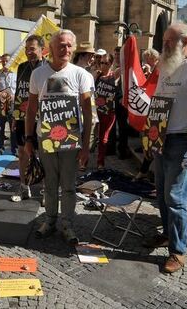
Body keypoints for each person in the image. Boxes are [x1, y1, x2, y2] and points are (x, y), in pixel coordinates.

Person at [143, 22, 187, 274]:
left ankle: (178, 251)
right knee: (162, 193)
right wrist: (150, 136)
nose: (163, 46)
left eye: (168, 42)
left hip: (186, 140)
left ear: (185, 42)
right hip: (162, 138)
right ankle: (167, 234)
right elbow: (159, 101)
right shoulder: (166, 64)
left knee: (176, 198)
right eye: (163, 42)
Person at [24, 29, 94, 244]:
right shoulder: (38, 74)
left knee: (69, 186)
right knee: (50, 185)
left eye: (69, 46)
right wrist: (28, 138)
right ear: (51, 48)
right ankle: (50, 220)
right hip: (46, 139)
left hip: (71, 141)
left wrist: (86, 145)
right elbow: (31, 108)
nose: (66, 49)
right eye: (61, 45)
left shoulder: (82, 75)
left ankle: (67, 224)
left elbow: (88, 112)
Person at [10, 35, 46, 202]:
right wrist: (14, 116)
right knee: (22, 153)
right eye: (26, 49)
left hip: (41, 118)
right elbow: (19, 92)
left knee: (44, 155)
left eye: (32, 49)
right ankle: (24, 187)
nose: (28, 52)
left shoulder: (48, 68)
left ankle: (47, 191)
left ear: (41, 49)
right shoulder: (22, 67)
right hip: (21, 117)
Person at [136, 48, 161, 180]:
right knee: (148, 142)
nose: (145, 61)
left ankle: (146, 171)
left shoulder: (159, 67)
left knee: (153, 142)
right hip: (149, 109)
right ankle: (144, 170)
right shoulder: (153, 69)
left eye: (147, 58)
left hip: (158, 110)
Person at [94, 50, 119, 169]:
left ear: (111, 64)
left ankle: (100, 162)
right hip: (96, 111)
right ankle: (83, 161)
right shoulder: (97, 75)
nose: (103, 65)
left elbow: (125, 67)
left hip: (109, 112)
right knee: (91, 137)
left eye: (106, 63)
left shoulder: (114, 75)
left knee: (104, 138)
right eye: (102, 63)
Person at [0, 54, 17, 156]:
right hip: (0, 103)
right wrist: (0, 93)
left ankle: (14, 149)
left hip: (13, 103)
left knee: (13, 126)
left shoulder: (16, 73)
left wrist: (14, 96)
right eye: (2, 61)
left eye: (6, 61)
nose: (4, 63)